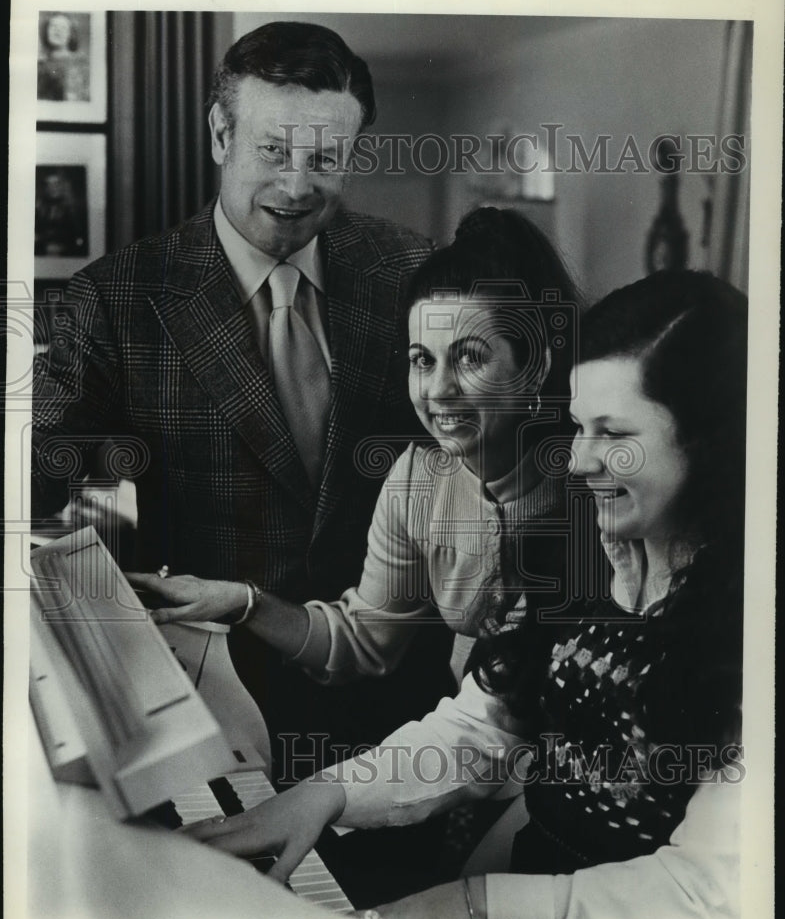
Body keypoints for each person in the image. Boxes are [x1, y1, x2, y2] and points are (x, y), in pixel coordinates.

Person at [184, 270, 746, 919]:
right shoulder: (586, 550)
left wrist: (472, 906)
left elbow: (701, 890)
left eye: (615, 437)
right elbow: (486, 725)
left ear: (713, 446)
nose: (578, 461)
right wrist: (325, 793)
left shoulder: (748, 620)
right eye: (577, 428)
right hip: (534, 886)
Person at [31, 21, 444, 783]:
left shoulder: (413, 271)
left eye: (325, 158)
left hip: (401, 701)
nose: (296, 186)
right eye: (273, 151)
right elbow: (35, 487)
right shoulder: (116, 299)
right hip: (213, 708)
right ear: (221, 133)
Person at [128, 206, 578, 697]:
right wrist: (242, 601)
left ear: (534, 367)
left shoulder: (589, 474)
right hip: (476, 727)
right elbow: (365, 640)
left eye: (470, 357)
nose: (439, 390)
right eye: (422, 361)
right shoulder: (417, 482)